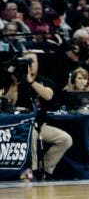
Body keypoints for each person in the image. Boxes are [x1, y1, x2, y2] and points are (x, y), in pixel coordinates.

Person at [1, 52, 71, 181]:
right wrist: (15, 84)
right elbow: (10, 104)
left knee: (65, 139)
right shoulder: (13, 81)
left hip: (40, 125)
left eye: (32, 61)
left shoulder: (44, 80)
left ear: (38, 64)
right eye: (26, 61)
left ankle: (45, 168)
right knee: (31, 134)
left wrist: (31, 81)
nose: (30, 64)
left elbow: (48, 96)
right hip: (20, 126)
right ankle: (32, 171)